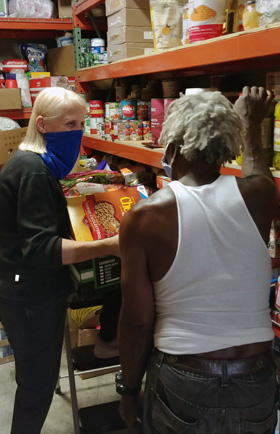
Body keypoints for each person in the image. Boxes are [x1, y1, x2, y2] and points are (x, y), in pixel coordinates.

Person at [117, 86, 279, 434]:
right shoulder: (260, 196)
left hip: (184, 378)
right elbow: (257, 169)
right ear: (227, 146)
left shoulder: (145, 217)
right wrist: (249, 124)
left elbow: (137, 322)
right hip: (256, 377)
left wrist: (129, 390)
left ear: (172, 147)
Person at [0, 87, 120, 434]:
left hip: (23, 288)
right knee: (37, 385)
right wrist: (109, 245)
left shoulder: (31, 163)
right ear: (43, 125)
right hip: (29, 295)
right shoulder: (34, 172)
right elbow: (41, 249)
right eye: (69, 123)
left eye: (81, 123)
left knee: (34, 377)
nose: (77, 131)